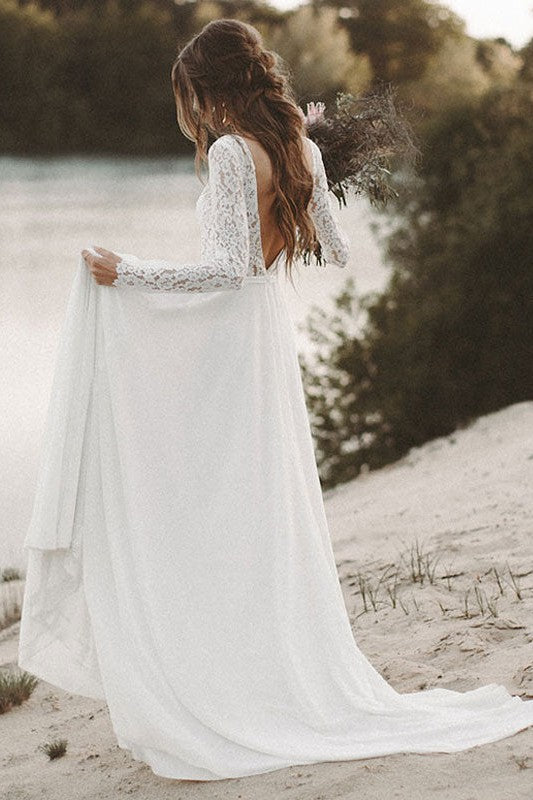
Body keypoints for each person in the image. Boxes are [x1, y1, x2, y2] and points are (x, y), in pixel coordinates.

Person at [18, 17, 533, 783]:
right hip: (263, 338)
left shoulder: (232, 153)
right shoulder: (299, 150)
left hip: (226, 340)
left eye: (190, 94)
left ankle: (222, 674)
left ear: (210, 88)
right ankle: (251, 661)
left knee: (203, 495)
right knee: (252, 499)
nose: (191, 110)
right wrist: (297, 193)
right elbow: (335, 249)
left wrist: (128, 273)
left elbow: (227, 270)